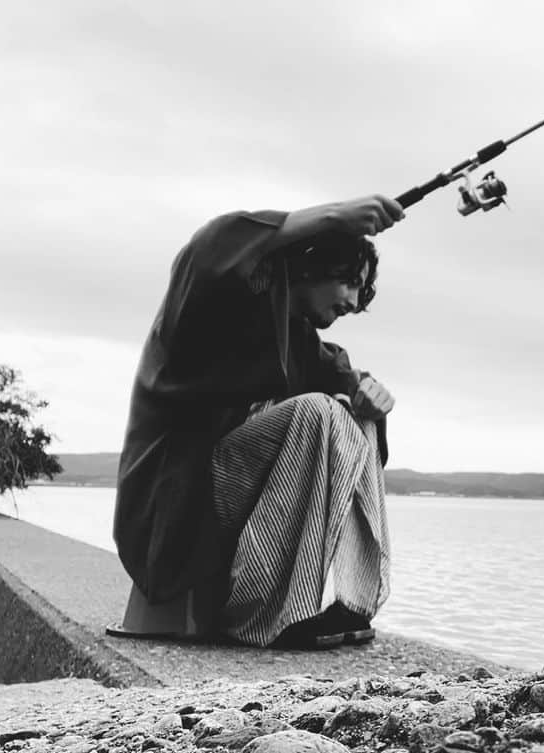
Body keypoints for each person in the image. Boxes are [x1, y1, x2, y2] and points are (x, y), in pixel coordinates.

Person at [113, 195, 405, 649]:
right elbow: (209, 249)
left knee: (356, 416)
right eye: (347, 281)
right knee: (318, 412)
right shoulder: (214, 303)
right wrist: (333, 217)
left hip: (215, 501)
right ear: (310, 265)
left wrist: (372, 395)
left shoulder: (302, 343)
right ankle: (277, 614)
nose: (352, 300)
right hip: (172, 504)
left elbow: (345, 377)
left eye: (359, 290)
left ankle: (354, 602)